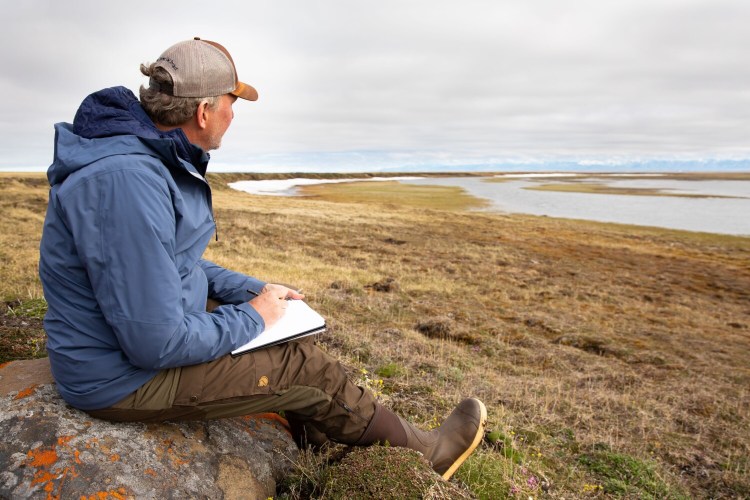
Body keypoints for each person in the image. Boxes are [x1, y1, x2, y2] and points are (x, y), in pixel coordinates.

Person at [38, 37, 486, 480]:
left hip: (118, 348)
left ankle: (326, 443)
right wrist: (254, 316)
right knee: (306, 368)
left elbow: (171, 263)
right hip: (119, 379)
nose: (234, 115)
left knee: (284, 333)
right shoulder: (127, 182)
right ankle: (430, 456)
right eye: (232, 103)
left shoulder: (140, 157)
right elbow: (154, 343)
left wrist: (253, 292)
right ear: (204, 111)